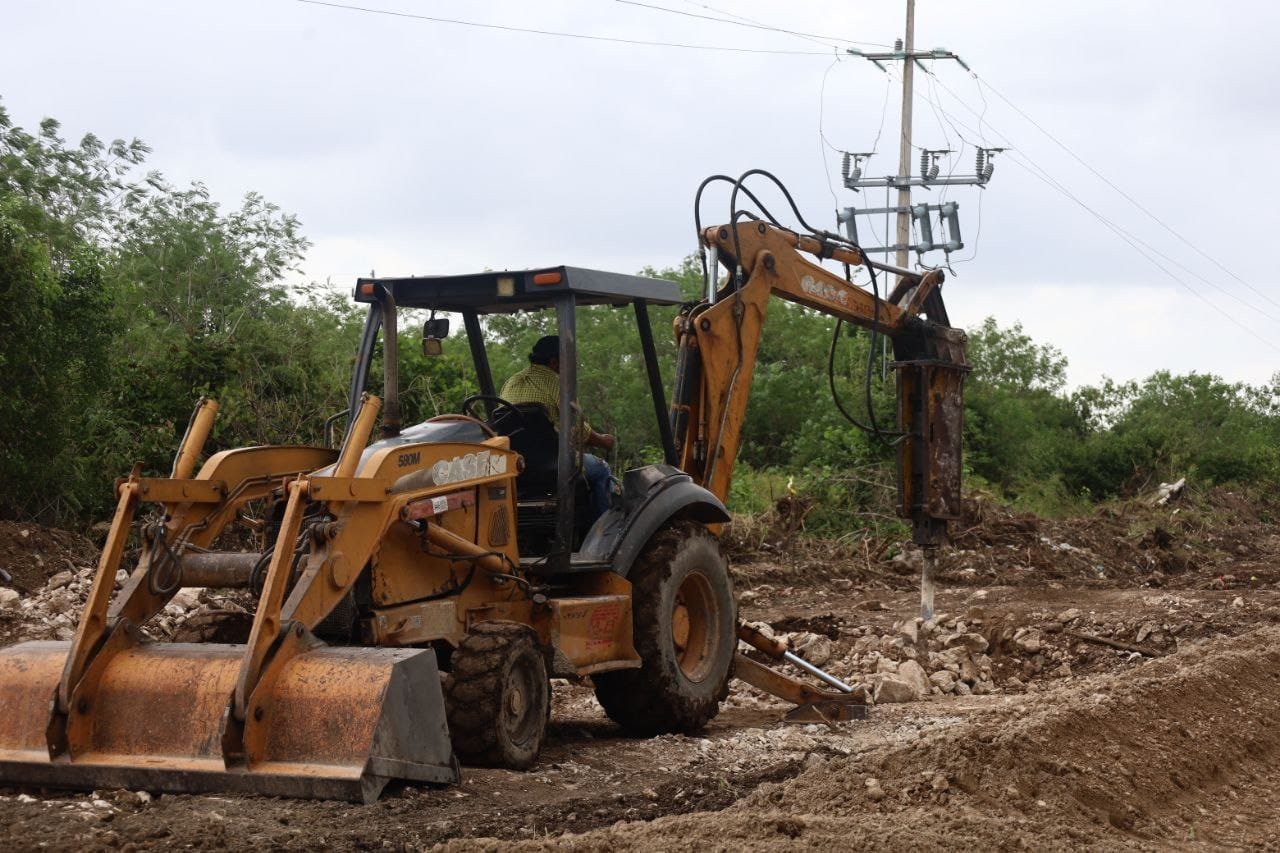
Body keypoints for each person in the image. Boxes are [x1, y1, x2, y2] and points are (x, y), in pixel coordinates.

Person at [500, 335, 616, 522]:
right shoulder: (559, 384)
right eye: (569, 362)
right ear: (554, 361)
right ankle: (605, 534)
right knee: (601, 469)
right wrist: (603, 441)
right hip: (554, 465)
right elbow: (577, 429)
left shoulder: (512, 382)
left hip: (516, 466)